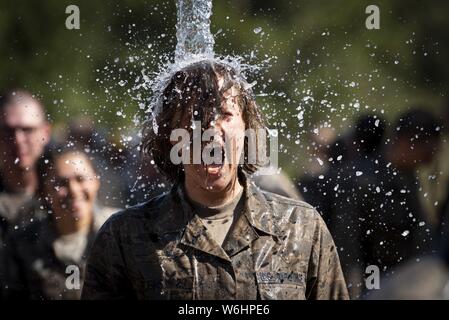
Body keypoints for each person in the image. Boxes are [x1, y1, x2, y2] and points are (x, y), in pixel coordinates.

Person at [81, 60, 349, 300]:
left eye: (224, 113)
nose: (210, 128)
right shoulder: (125, 235)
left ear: (246, 128)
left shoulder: (300, 227)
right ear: (172, 137)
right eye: (195, 116)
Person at [4, 148, 115, 299]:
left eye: (81, 179)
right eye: (60, 183)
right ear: (42, 192)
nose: (73, 190)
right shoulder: (22, 244)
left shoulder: (121, 231)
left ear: (96, 180)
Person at [0, 89, 51, 227]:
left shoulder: (63, 190)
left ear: (45, 132)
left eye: (27, 130)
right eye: (8, 131)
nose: (18, 140)